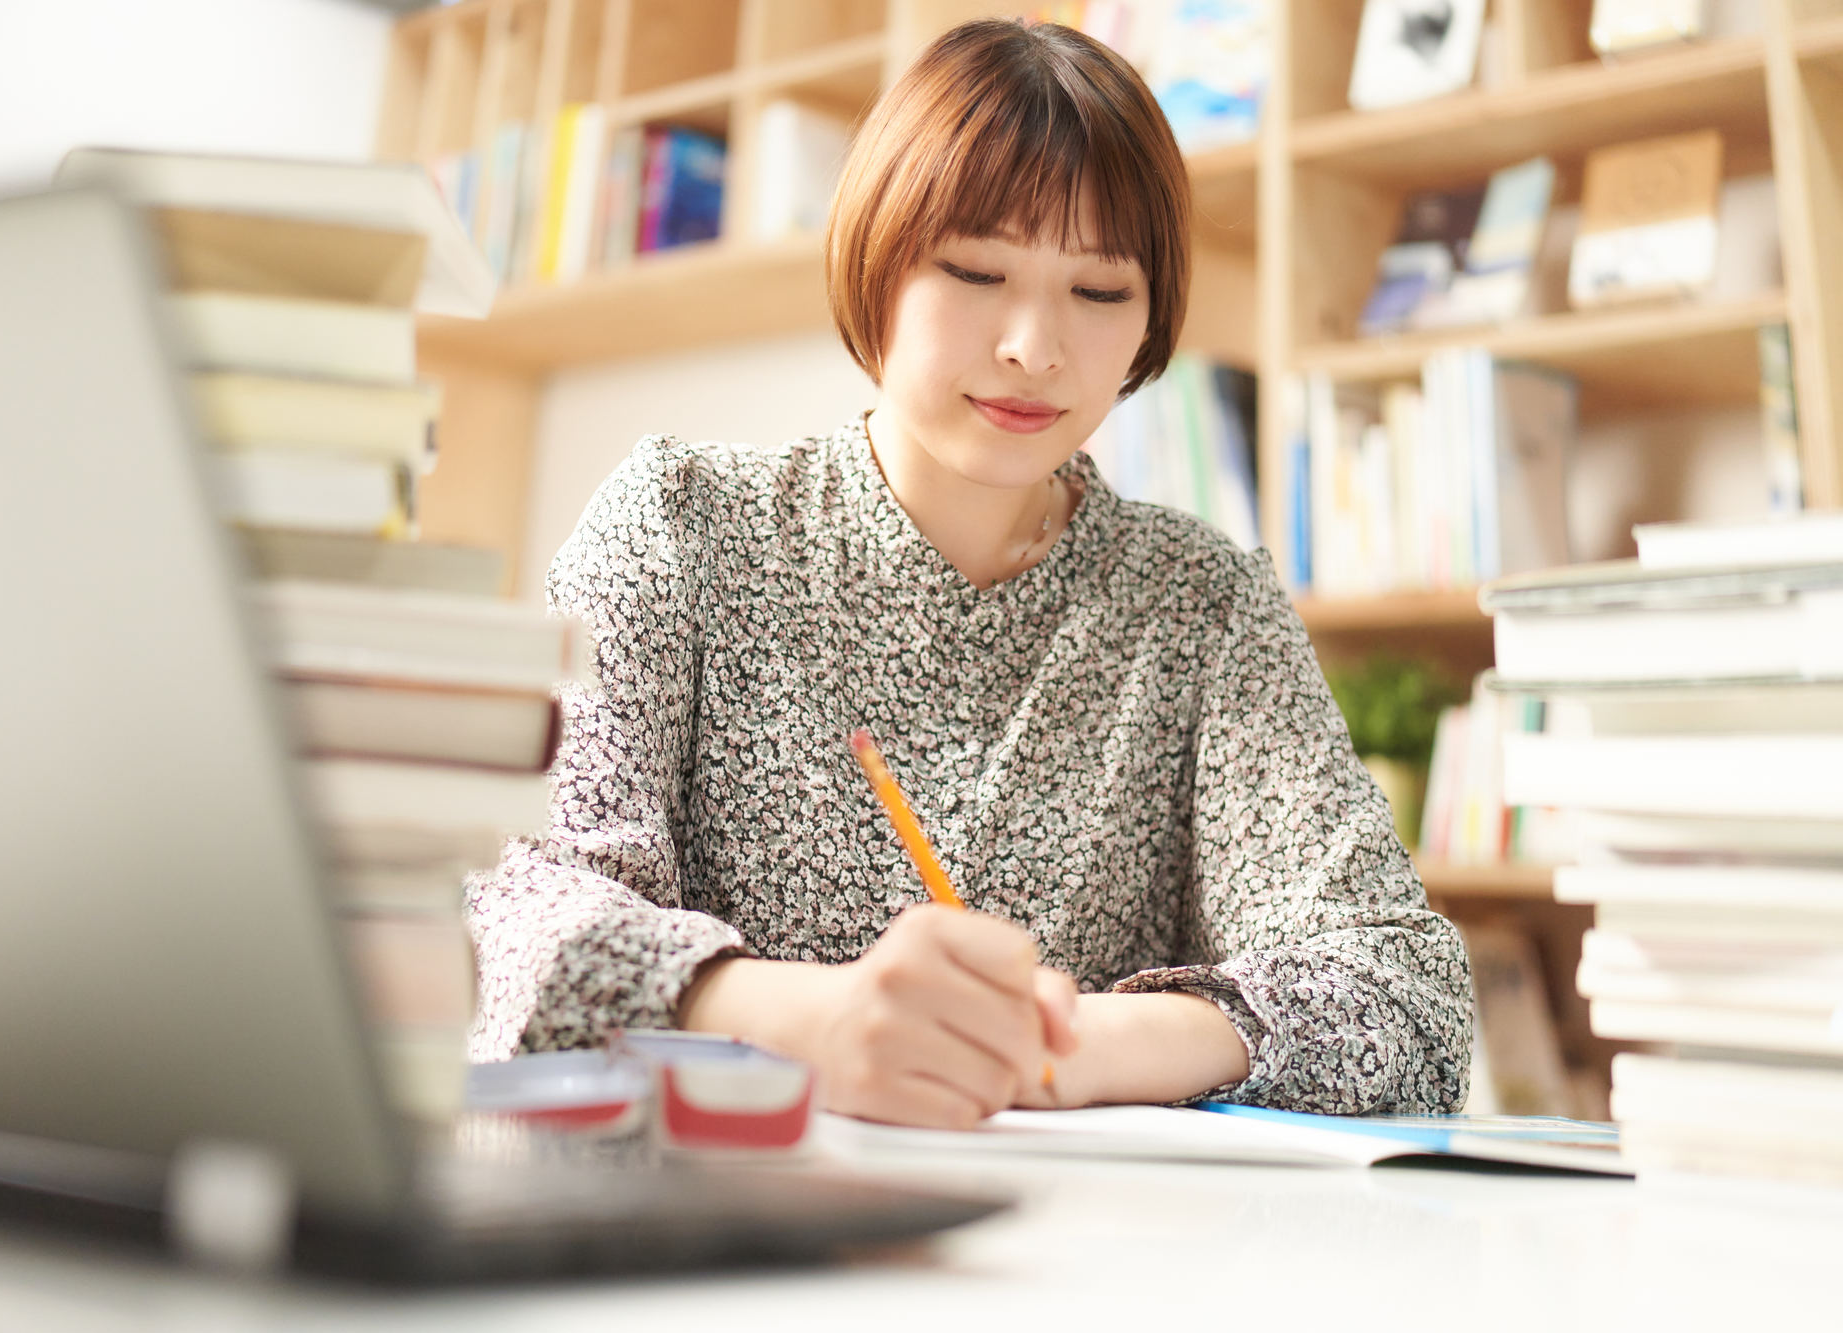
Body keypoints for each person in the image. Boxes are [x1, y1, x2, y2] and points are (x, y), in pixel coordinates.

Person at [466, 18, 1473, 1128]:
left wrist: (1073, 1043)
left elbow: (1407, 998)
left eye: (1099, 292)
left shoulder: (1201, 605)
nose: (1036, 346)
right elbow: (518, 924)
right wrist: (806, 1022)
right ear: (877, 261)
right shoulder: (681, 523)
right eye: (975, 270)